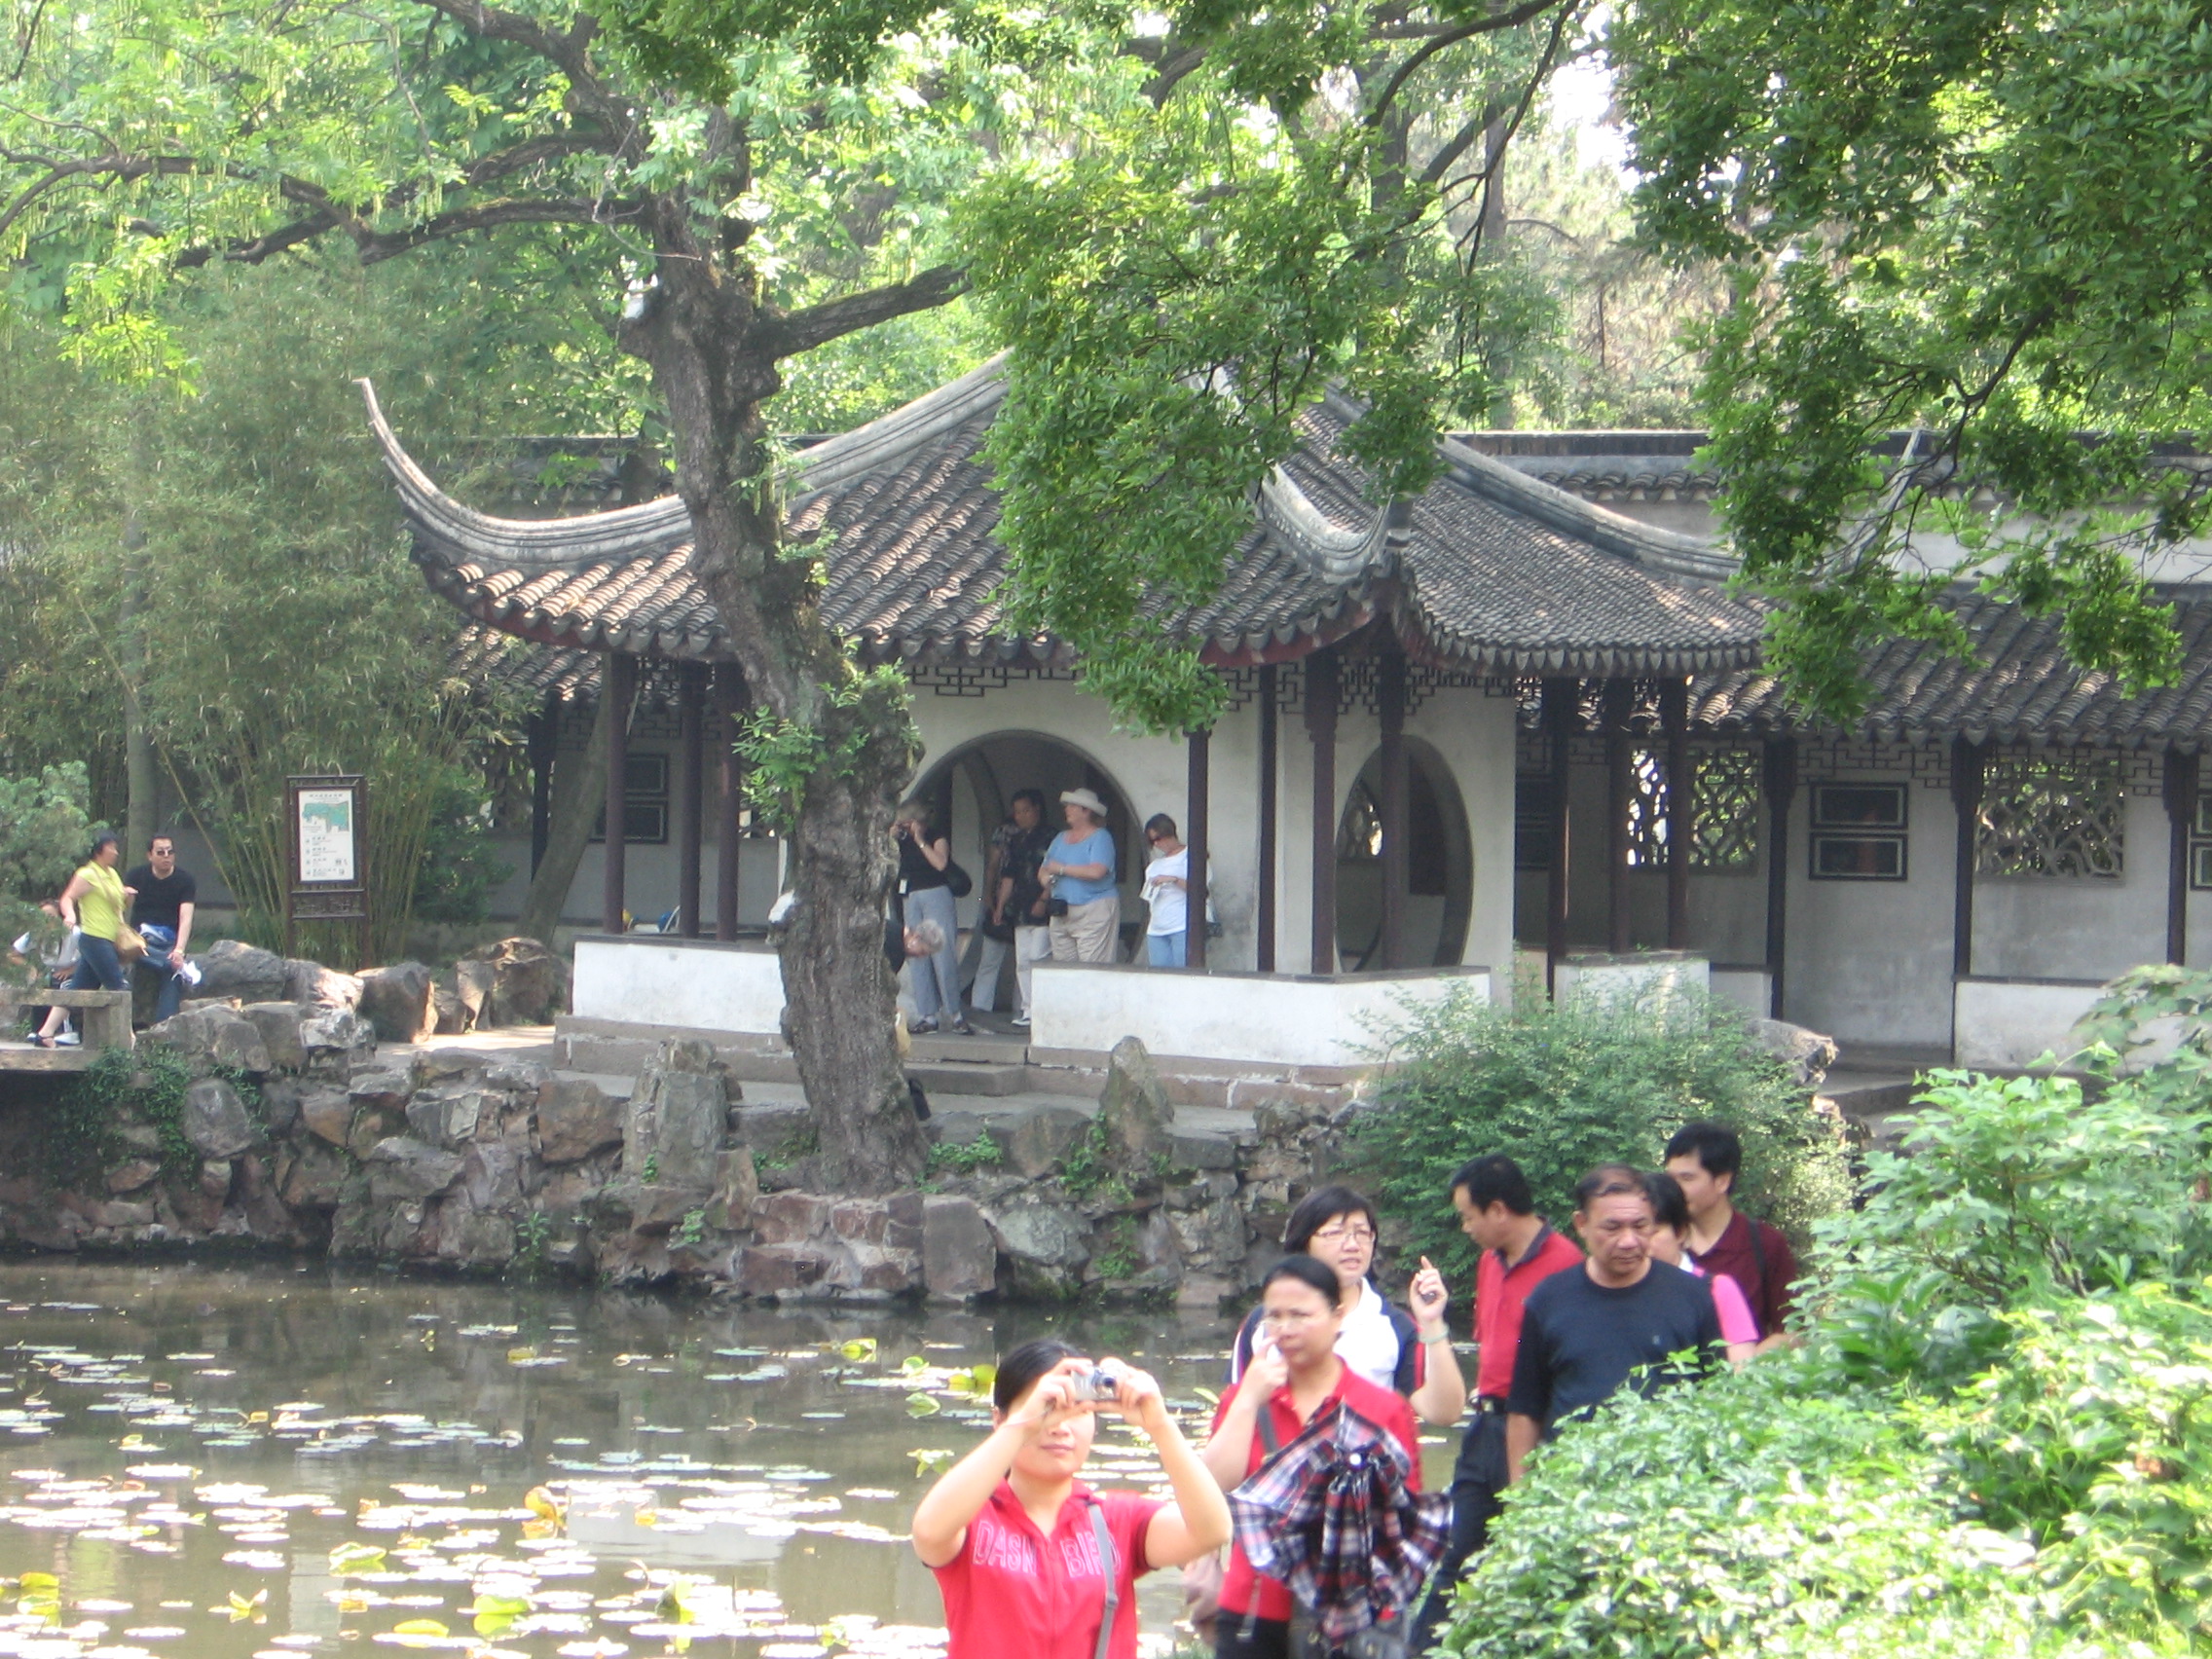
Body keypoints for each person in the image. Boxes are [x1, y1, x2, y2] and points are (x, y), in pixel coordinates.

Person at [912, 1338, 1231, 1659]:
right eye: (1049, 1408)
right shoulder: (973, 1517)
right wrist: (1020, 1427)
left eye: (1077, 1411)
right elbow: (928, 1532)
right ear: (999, 1420)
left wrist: (1161, 1425)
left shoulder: (1115, 1521)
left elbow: (1211, 1531)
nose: (1060, 1427)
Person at [1202, 1255, 1425, 1659]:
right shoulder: (1244, 1399)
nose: (1286, 1329)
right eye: (1274, 1316)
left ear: (1337, 1317)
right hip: (1254, 1607)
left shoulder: (1381, 1408)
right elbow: (1212, 1490)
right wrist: (1248, 1400)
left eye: (1301, 1315)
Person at [1406, 1154, 1584, 1652]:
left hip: (1534, 1432)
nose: (1465, 1227)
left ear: (1499, 1210)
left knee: (1529, 1561)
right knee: (1457, 1559)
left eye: (1469, 1216)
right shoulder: (1490, 1261)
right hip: (1484, 1428)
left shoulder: (1566, 1265)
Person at [1504, 1164, 1722, 1485]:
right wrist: (1520, 1495)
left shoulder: (1693, 1296)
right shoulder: (1547, 1299)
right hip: (1571, 1487)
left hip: (1668, 1488)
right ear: (1581, 1224)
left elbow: (1717, 1399)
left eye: (1640, 1226)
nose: (1628, 1241)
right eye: (1612, 1228)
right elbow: (1525, 1409)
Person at [1225, 1185, 1467, 1426]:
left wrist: (1432, 1322)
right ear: (1304, 1241)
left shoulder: (1394, 1326)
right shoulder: (1264, 1322)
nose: (1352, 1245)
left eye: (1362, 1233)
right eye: (1334, 1233)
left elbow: (1444, 1414)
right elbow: (1232, 1411)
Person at [1662, 1121, 1800, 1350]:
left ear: (1722, 1181)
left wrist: (1744, 1363)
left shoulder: (1765, 1243)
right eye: (1670, 1178)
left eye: (1686, 1178)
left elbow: (1793, 1331)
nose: (1673, 1189)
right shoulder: (1659, 1243)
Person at [1645, 1170, 1758, 1366]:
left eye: (1652, 1232)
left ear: (1680, 1232)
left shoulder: (1717, 1289)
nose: (1637, 1242)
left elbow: (1744, 1371)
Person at [32, 831, 133, 1050]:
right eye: (111, 847)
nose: (115, 852)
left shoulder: (112, 874)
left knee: (78, 989)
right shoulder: (87, 874)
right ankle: (129, 1038)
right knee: (118, 986)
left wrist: (127, 897)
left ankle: (45, 1033)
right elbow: (68, 897)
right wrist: (70, 915)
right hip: (95, 938)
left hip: (110, 937)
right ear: (99, 850)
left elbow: (118, 906)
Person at [974, 790, 1053, 1022]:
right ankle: (1028, 1009)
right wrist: (1000, 906)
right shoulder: (1016, 839)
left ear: (1037, 809)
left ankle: (1040, 1008)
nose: (1020, 816)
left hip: (1043, 906)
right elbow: (1008, 876)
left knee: (1038, 957)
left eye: (1025, 811)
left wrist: (1044, 898)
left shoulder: (1052, 837)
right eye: (1017, 812)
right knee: (1023, 961)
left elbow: (1055, 874)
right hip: (1020, 907)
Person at [894, 800, 969, 1035]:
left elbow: (940, 863)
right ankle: (928, 1015)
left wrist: (920, 840)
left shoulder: (936, 837)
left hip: (935, 892)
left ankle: (955, 1013)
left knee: (942, 952)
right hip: (911, 895)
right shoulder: (900, 840)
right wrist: (892, 835)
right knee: (917, 954)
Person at [126, 832, 197, 1022]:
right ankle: (170, 964)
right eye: (160, 852)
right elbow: (123, 909)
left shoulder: (185, 880)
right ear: (150, 855)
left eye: (170, 852)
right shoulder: (135, 876)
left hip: (169, 940)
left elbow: (186, 918)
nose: (166, 856)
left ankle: (165, 1025)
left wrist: (179, 950)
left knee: (173, 968)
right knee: (170, 965)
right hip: (140, 941)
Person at [1042, 789, 1119, 964]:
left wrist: (1062, 869)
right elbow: (1044, 868)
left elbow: (1097, 871)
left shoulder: (1101, 837)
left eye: (1072, 806)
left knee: (1092, 967)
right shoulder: (1060, 838)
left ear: (1086, 810)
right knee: (1064, 967)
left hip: (1093, 909)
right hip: (1062, 910)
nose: (1066, 809)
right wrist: (1045, 879)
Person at [1140, 814, 1191, 968]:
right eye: (1152, 841)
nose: (1156, 844)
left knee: (1184, 974)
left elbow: (1200, 890)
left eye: (1158, 838)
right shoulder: (1155, 865)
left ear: (1169, 833)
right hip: (1156, 928)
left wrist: (1173, 879)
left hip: (1181, 925)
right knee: (1159, 976)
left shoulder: (1190, 856)